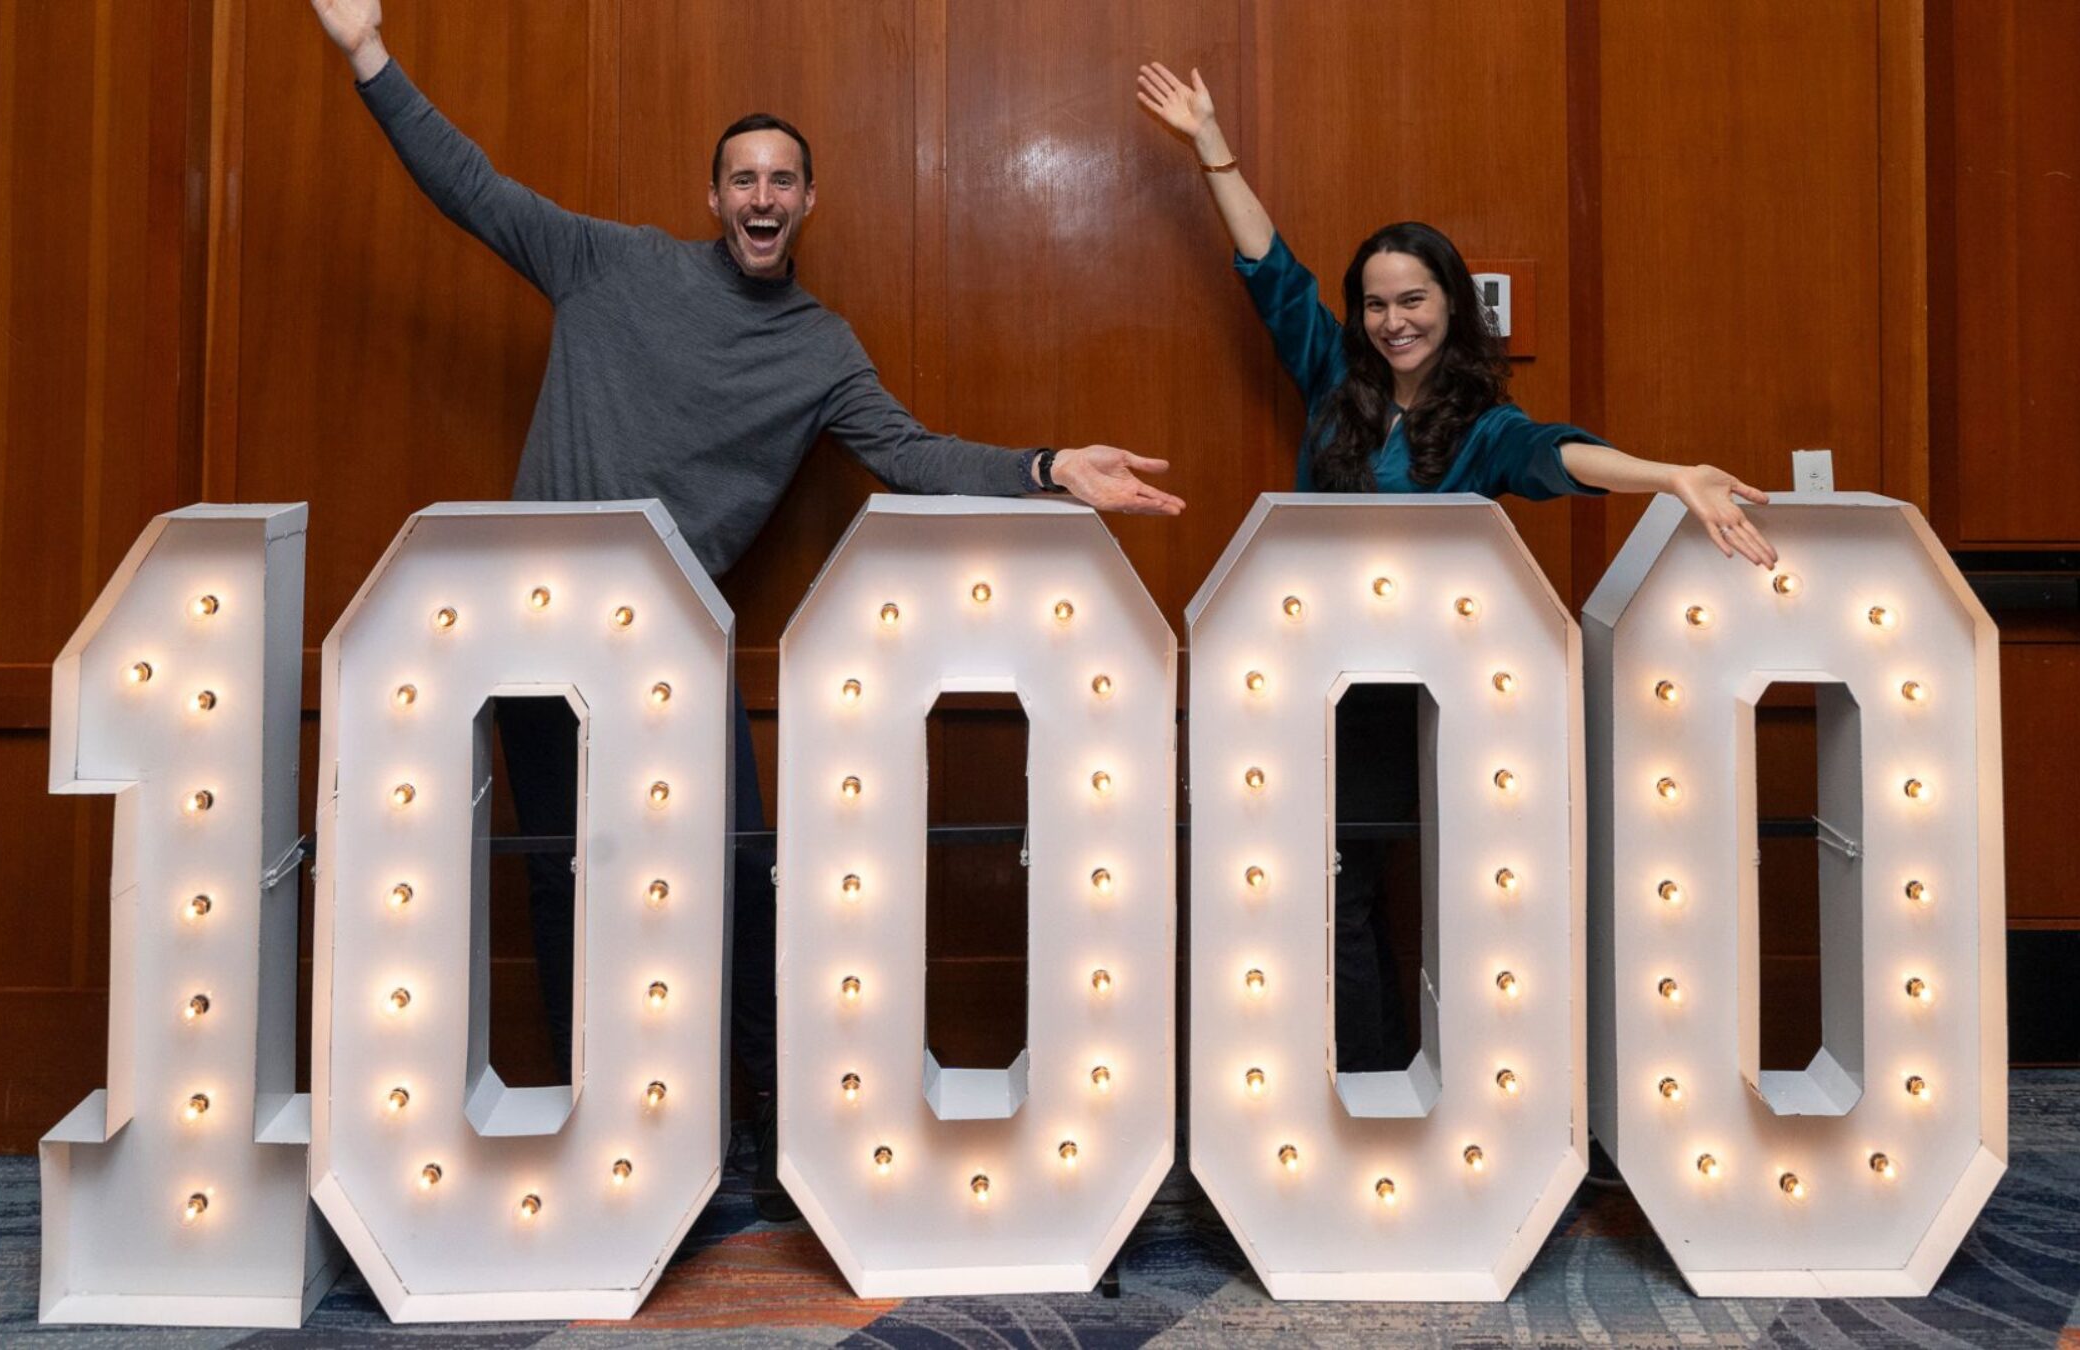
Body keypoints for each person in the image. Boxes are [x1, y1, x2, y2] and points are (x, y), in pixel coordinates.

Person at [309, 0, 1187, 1226]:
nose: (762, 197)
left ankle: (771, 1133)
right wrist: (367, 53)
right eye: (742, 179)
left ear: (807, 202)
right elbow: (470, 185)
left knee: (740, 878)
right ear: (713, 196)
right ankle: (584, 1129)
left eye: (783, 180)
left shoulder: (822, 349)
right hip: (529, 634)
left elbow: (911, 452)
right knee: (568, 880)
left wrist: (1050, 469)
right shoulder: (608, 262)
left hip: (671, 652)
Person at [1137, 61, 1776, 1072]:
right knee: (1337, 886)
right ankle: (1370, 1081)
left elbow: (1554, 454)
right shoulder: (1331, 380)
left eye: (1416, 300)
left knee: (1377, 890)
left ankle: (1384, 1085)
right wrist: (1212, 142)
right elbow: (1270, 266)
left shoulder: (1479, 421)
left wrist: (1668, 475)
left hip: (1420, 698)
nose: (1395, 320)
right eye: (1377, 303)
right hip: (1306, 687)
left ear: (1451, 305)